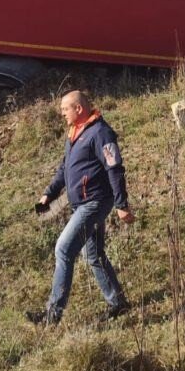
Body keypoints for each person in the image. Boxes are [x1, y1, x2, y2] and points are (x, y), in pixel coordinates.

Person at [27, 91, 134, 325]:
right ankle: (118, 303)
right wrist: (50, 193)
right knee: (93, 254)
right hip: (83, 204)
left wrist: (121, 204)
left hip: (94, 202)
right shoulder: (75, 133)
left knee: (63, 250)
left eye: (65, 108)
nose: (61, 113)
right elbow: (64, 168)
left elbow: (114, 168)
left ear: (78, 109)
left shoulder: (100, 133)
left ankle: (52, 314)